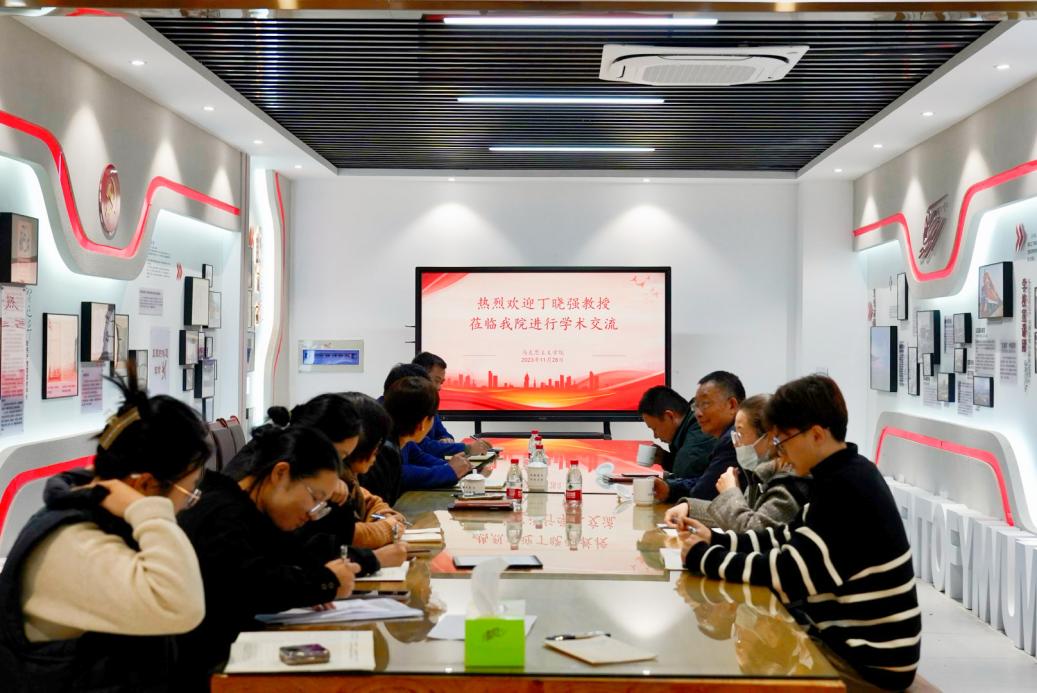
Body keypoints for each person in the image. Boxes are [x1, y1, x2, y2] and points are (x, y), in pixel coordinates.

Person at [677, 375, 919, 691]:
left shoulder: (847, 487)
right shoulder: (843, 473)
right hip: (851, 647)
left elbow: (786, 573)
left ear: (816, 434)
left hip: (866, 663)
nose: (780, 452)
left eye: (783, 440)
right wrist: (717, 540)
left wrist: (705, 557)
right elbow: (782, 536)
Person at [0, 369, 210, 692]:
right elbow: (181, 605)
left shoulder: (96, 516)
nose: (185, 505)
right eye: (188, 492)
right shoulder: (75, 543)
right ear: (145, 484)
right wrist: (147, 511)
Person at [175, 426, 362, 691]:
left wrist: (314, 581)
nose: (312, 512)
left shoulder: (250, 512)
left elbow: (287, 560)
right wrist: (324, 582)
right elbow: (250, 583)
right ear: (280, 473)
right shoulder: (221, 511)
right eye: (314, 497)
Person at [664, 394, 811, 532]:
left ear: (770, 438)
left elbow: (753, 529)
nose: (735, 443)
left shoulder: (790, 480)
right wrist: (689, 508)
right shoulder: (761, 474)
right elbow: (740, 513)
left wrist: (730, 492)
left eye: (740, 434)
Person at [654, 371, 745, 503]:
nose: (698, 413)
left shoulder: (732, 440)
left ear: (731, 405)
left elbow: (702, 493)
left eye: (706, 404)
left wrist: (672, 489)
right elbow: (706, 481)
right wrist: (669, 489)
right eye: (696, 405)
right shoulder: (726, 436)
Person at [337, 392, 408, 549]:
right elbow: (350, 535)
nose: (378, 450)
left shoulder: (348, 476)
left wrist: (386, 515)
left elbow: (370, 501)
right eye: (377, 442)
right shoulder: (329, 480)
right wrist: (388, 527)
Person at [384, 376, 471, 490]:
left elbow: (421, 458)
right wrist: (449, 471)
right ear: (423, 423)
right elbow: (403, 475)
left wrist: (454, 467)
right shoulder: (383, 447)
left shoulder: (405, 440)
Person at [412, 352, 491, 455]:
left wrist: (445, 439)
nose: (439, 387)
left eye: (441, 382)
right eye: (436, 381)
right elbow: (423, 446)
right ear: (419, 378)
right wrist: (466, 448)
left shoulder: (429, 404)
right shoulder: (408, 406)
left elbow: (444, 433)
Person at [637, 385, 714, 478]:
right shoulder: (692, 423)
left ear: (669, 416)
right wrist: (665, 459)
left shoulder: (697, 438)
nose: (655, 436)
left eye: (654, 428)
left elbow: (685, 478)